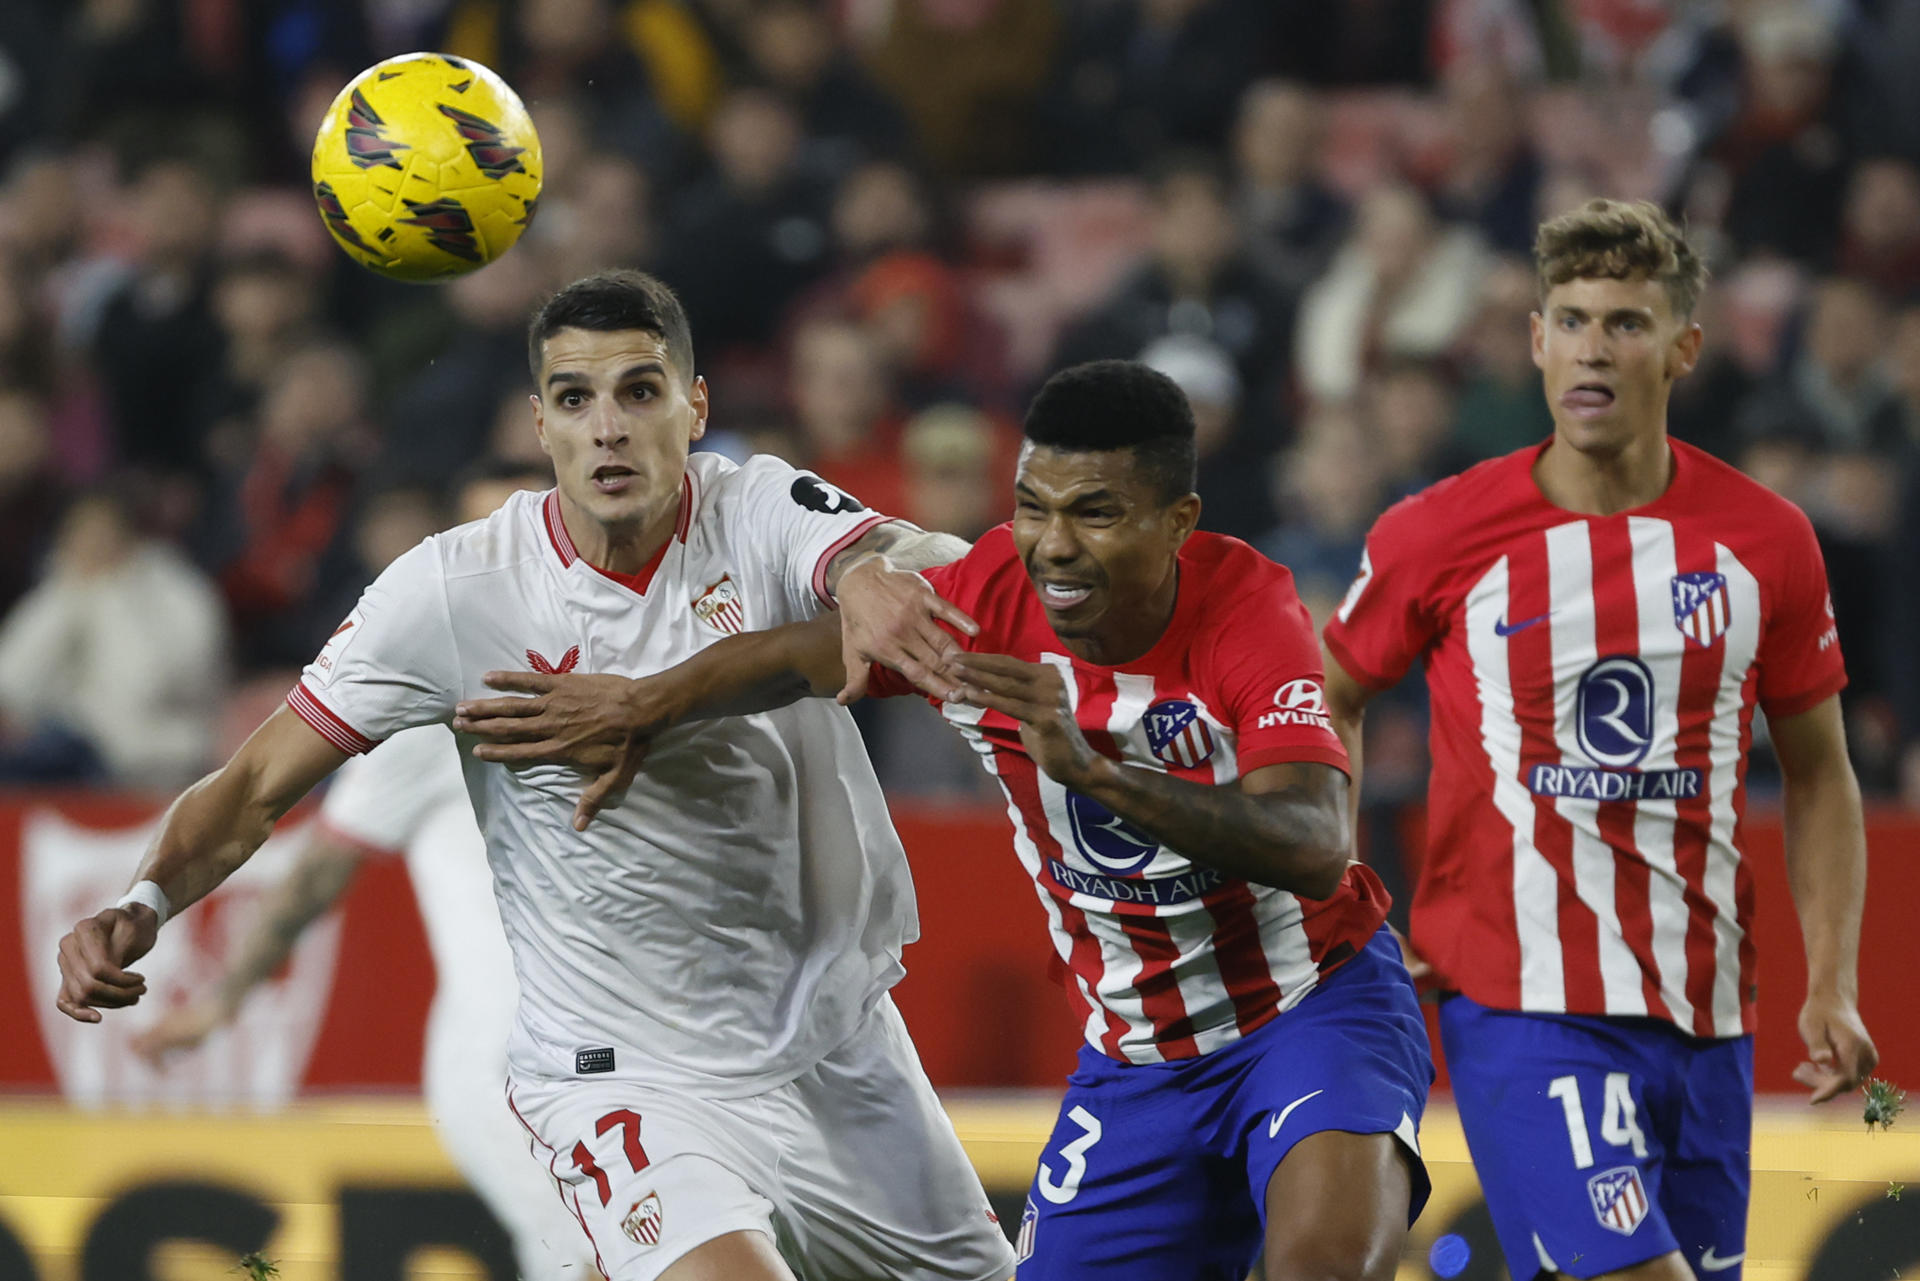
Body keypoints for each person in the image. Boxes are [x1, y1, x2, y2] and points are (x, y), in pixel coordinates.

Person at [55, 269, 1016, 1281]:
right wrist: (145, 899)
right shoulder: (452, 591)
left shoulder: (758, 506)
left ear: (695, 409)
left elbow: (896, 560)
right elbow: (254, 788)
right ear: (539, 423)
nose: (607, 427)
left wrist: (874, 570)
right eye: (574, 399)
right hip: (622, 1071)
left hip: (834, 1044)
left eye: (640, 393)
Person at [453, 360, 1434, 1281]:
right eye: (1034, 508)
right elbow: (800, 655)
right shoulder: (987, 603)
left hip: (1310, 1008)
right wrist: (640, 703)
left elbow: (1313, 844)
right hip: (1135, 1058)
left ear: (1178, 521)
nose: (1055, 545)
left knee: (1322, 1267)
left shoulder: (1245, 608)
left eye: (1096, 512)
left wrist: (1097, 773)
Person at [1320, 199, 1877, 1281]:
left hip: (1705, 1009)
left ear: (1684, 350)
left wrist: (1834, 981)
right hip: (1520, 1004)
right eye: (1569, 320)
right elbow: (1328, 696)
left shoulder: (1768, 541)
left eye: (1625, 323)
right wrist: (1341, 895)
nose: (1591, 347)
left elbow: (1821, 774)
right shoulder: (1437, 533)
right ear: (1534, 341)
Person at [131, 462, 595, 1281]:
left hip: (629, 1043)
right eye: (494, 538)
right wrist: (222, 1001)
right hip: (506, 1060)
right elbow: (319, 868)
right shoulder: (440, 707)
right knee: (590, 1257)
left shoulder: (628, 676)